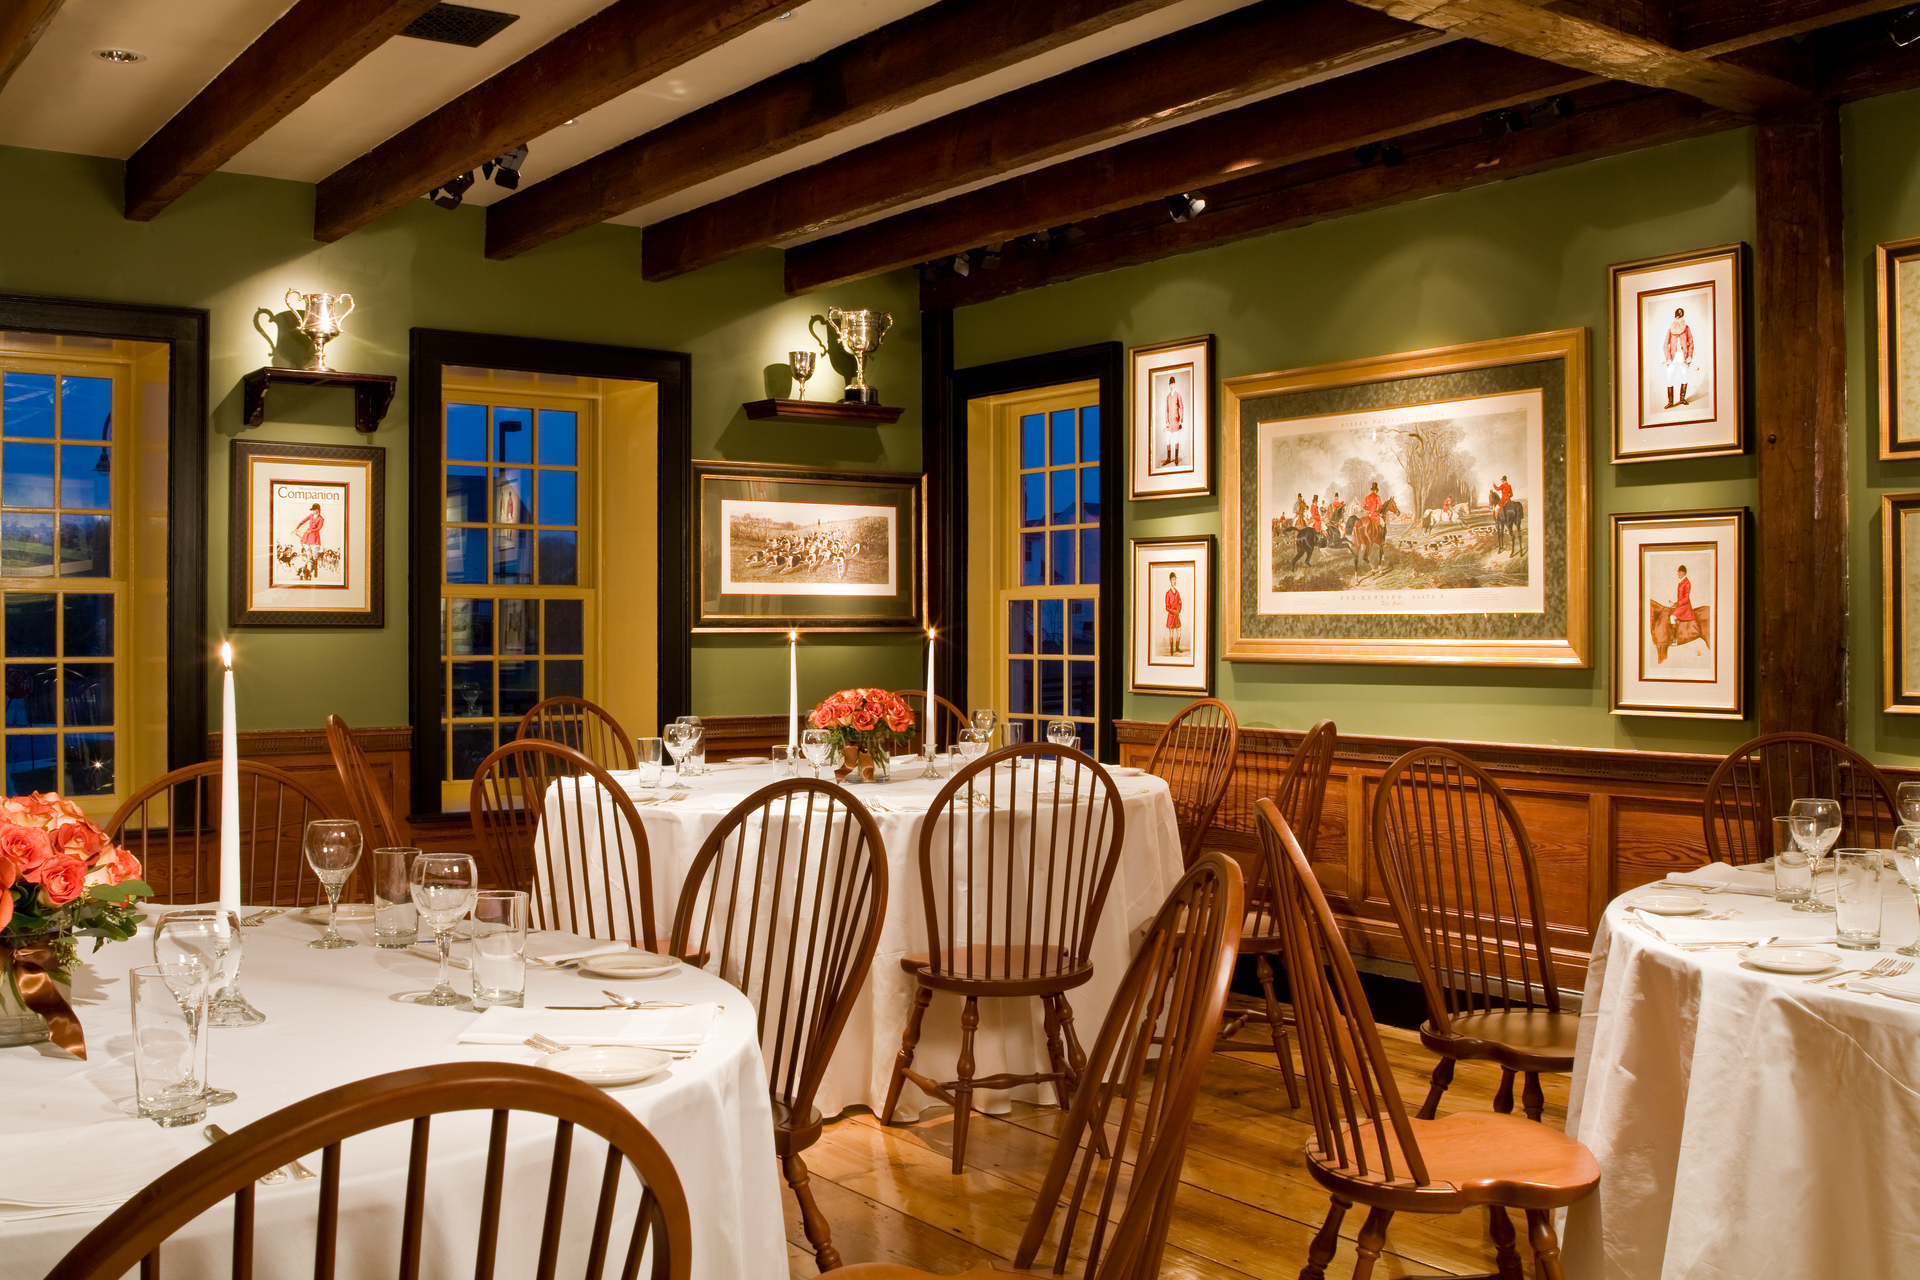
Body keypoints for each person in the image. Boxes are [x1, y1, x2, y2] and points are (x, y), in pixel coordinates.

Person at [1663, 306, 1695, 408]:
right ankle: (1670, 402)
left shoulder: (1686, 328)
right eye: (1677, 317)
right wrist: (1668, 358)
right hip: (1672, 358)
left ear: (1683, 318)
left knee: (1684, 377)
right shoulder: (1670, 330)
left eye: (1680, 317)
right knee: (1669, 378)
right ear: (1675, 318)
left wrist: (1689, 356)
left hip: (1683, 357)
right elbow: (1665, 345)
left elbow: (1691, 343)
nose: (1678, 319)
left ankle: (1682, 399)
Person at [1161, 374, 1185, 467]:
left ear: (1175, 384)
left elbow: (1181, 407)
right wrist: (1166, 421)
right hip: (1170, 422)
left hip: (1176, 421)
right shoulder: (1167, 397)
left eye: (1173, 384)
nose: (1172, 385)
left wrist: (1181, 420)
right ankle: (1168, 458)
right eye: (1170, 384)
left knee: (1176, 439)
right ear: (1169, 385)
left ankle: (1176, 458)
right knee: (1167, 440)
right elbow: (1166, 410)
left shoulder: (1178, 395)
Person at [1164, 572, 1184, 656]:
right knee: (1171, 632)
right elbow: (1167, 607)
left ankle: (1177, 647)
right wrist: (1174, 611)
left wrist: (1178, 610)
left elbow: (1180, 602)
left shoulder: (1177, 592)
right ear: (1170, 580)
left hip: (1177, 616)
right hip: (1171, 617)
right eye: (1173, 579)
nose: (1174, 581)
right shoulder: (1168, 593)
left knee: (1179, 631)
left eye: (1175, 579)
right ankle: (1171, 649)